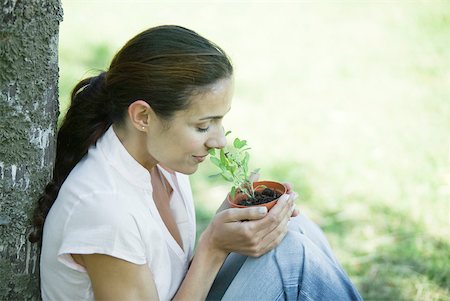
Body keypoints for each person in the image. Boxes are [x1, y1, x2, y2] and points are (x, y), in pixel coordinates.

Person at [30, 25, 363, 301]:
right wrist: (213, 246)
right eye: (203, 126)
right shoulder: (103, 210)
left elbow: (171, 278)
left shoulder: (161, 160)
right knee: (292, 259)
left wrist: (235, 218)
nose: (219, 140)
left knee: (295, 229)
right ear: (143, 116)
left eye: (219, 122)